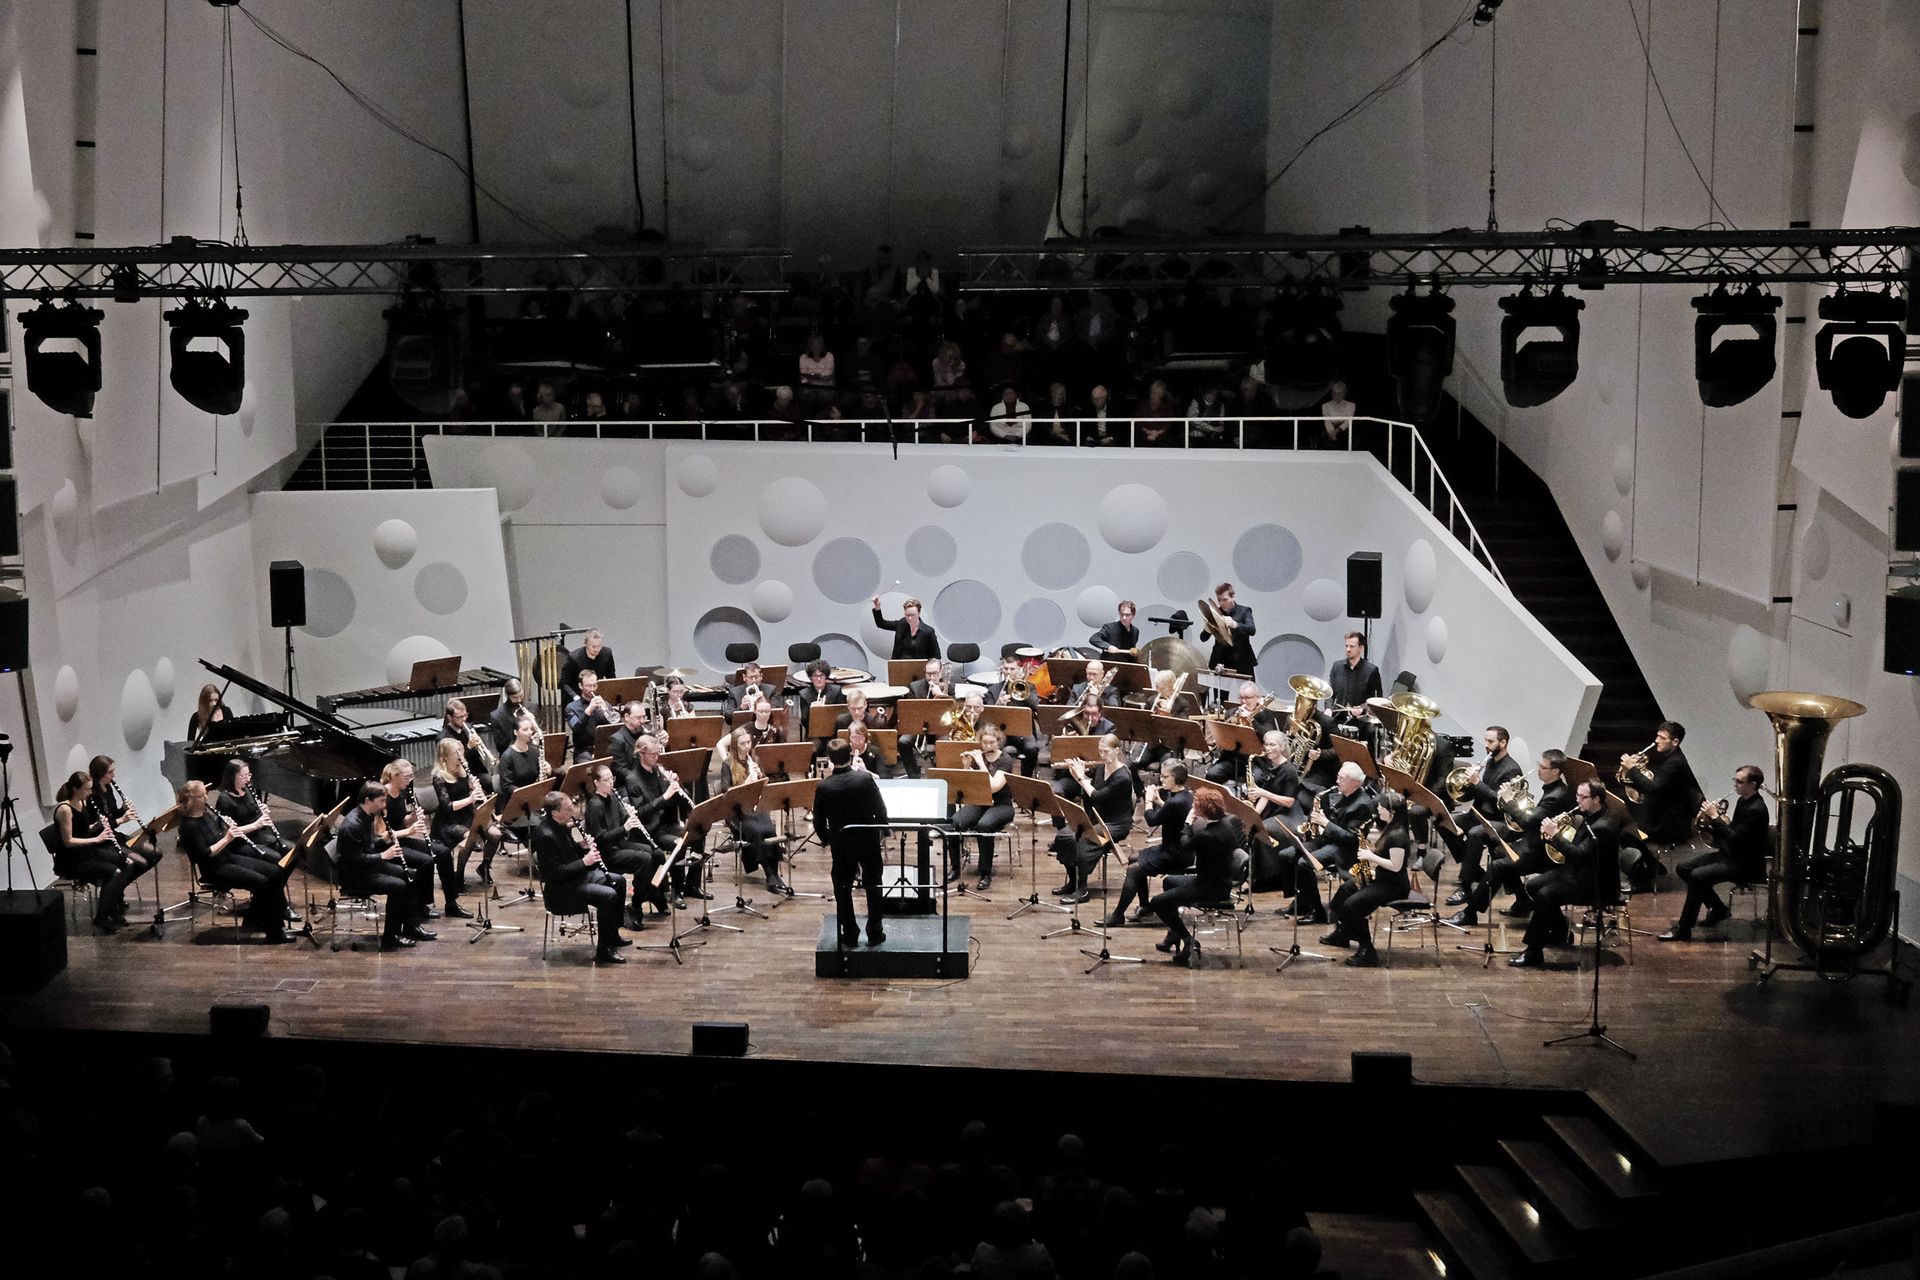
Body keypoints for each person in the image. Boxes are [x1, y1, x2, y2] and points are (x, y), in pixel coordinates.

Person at [1452, 749, 1573, 927]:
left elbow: (1527, 822)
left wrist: (1509, 801)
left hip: (1541, 853)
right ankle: (1523, 900)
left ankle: (1470, 913)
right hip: (1531, 843)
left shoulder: (1556, 795)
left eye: (1543, 767)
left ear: (1555, 771)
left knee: (1498, 866)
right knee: (1497, 850)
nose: (1538, 769)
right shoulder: (1552, 790)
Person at [1511, 780, 1621, 968]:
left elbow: (1578, 855)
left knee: (1546, 894)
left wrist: (1555, 835)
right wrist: (1551, 837)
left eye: (1583, 797)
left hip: (1596, 883)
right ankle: (1560, 931)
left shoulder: (1603, 826)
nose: (1578, 800)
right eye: (1577, 795)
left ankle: (1534, 951)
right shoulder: (1589, 815)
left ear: (1596, 799)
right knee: (1533, 885)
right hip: (1578, 873)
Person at [173, 781, 294, 942]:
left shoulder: (207, 814)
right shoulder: (189, 826)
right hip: (214, 868)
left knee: (276, 871)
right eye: (202, 795)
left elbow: (218, 834)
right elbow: (204, 854)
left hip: (227, 858)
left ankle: (255, 918)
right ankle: (275, 931)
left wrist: (225, 826)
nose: (206, 798)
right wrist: (228, 838)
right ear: (191, 800)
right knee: (262, 882)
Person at [1661, 765, 1770, 941]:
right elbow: (1732, 833)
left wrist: (1716, 818)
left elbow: (1736, 839)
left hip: (1745, 864)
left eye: (1740, 782)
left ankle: (1684, 928)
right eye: (1735, 780)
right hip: (1730, 855)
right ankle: (1718, 909)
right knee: (1683, 868)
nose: (1735, 785)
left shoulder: (1756, 809)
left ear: (1753, 784)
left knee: (1697, 876)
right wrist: (1711, 822)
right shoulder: (1743, 801)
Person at [532, 791, 629, 964]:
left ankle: (612, 935)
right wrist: (585, 861)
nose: (573, 812)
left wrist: (583, 847)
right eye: (568, 808)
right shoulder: (545, 835)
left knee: (619, 882)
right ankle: (603, 951)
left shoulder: (561, 824)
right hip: (561, 890)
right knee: (609, 896)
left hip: (576, 878)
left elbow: (569, 853)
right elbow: (555, 873)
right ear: (555, 812)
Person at [333, 782, 434, 949]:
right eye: (381, 801)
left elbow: (369, 846)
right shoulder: (352, 824)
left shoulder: (367, 816)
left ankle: (410, 927)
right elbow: (354, 860)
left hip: (368, 867)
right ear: (367, 800)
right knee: (399, 886)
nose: (384, 805)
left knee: (411, 875)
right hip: (355, 875)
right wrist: (383, 855)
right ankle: (391, 936)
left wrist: (384, 840)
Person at [1320, 790, 1414, 967]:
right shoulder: (1389, 827)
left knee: (1352, 906)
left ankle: (1367, 951)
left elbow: (1396, 866)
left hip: (1393, 885)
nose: (1378, 809)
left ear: (1391, 812)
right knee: (1345, 890)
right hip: (1382, 878)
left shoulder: (1398, 836)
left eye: (1381, 807)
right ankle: (1343, 933)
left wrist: (1370, 856)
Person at [52, 770, 149, 934]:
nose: (90, 793)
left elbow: (83, 830)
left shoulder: (82, 803)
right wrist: (97, 839)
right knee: (114, 871)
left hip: (86, 850)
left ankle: (111, 908)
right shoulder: (64, 809)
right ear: (76, 789)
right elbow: (68, 841)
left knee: (128, 863)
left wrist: (97, 826)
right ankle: (102, 916)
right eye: (87, 789)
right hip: (72, 859)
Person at [1151, 788, 1240, 966]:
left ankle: (1188, 939)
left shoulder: (1208, 835)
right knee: (1169, 881)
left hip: (1209, 888)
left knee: (1157, 902)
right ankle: (1174, 933)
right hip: (1219, 881)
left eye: (1195, 804)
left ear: (1203, 810)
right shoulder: (1227, 824)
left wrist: (1188, 822)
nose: (1192, 806)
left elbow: (1185, 845)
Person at [813, 739, 889, 946]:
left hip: (842, 844)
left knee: (842, 888)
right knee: (873, 884)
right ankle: (875, 930)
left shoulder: (824, 786)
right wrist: (883, 830)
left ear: (830, 760)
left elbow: (818, 822)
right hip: (868, 840)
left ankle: (850, 932)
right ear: (850, 757)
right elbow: (880, 810)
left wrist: (828, 840)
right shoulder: (864, 780)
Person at [1440, 726, 1523, 908]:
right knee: (1444, 821)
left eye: (1491, 742)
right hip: (1480, 814)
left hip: (1500, 820)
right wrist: (1468, 785)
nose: (1486, 745)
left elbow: (1501, 801)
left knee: (1476, 833)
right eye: (1485, 741)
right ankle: (1474, 871)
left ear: (1503, 743)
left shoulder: (1512, 770)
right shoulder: (1491, 761)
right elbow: (1481, 793)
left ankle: (1465, 885)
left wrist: (1477, 783)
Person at [1283, 762, 1375, 924]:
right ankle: (1302, 900)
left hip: (1344, 848)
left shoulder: (1362, 805)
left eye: (1342, 779)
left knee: (1304, 864)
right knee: (1286, 855)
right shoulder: (1339, 793)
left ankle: (1317, 911)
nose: (1337, 781)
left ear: (1356, 783)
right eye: (1338, 776)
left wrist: (1325, 823)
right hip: (1327, 840)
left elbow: (1351, 838)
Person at [380, 759, 468, 920]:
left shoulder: (401, 791)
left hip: (403, 838)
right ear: (394, 776)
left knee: (443, 852)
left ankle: (451, 903)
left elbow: (400, 821)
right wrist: (410, 830)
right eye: (406, 777)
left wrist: (412, 818)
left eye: (411, 776)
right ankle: (421, 905)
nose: (410, 780)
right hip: (389, 845)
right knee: (426, 861)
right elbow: (382, 834)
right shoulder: (383, 796)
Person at [1107, 761, 1192, 925]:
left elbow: (1152, 820)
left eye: (1166, 776)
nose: (1162, 780)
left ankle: (1118, 915)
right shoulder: (1185, 795)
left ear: (1176, 778)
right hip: (1173, 848)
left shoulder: (1176, 802)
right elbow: (1172, 813)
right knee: (1133, 858)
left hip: (1176, 854)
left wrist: (1148, 801)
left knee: (1133, 870)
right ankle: (1145, 905)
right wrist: (1160, 802)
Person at [1051, 734, 1134, 903]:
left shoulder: (1123, 777)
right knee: (1065, 837)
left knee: (1087, 838)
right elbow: (1090, 794)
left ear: (1116, 751)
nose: (1102, 755)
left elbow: (1097, 796)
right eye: (1100, 751)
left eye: (1106, 751)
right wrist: (1077, 776)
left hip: (1116, 825)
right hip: (1097, 819)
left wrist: (1081, 778)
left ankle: (1082, 890)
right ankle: (1073, 882)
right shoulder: (1102, 768)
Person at [626, 734, 708, 906]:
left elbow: (675, 802)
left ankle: (692, 884)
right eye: (653, 754)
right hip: (650, 830)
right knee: (679, 844)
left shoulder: (659, 771)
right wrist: (665, 796)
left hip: (668, 824)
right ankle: (676, 890)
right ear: (641, 754)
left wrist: (678, 787)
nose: (657, 757)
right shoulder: (633, 779)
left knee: (699, 833)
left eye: (658, 754)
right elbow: (642, 813)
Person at [582, 764, 665, 928]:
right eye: (606, 780)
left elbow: (621, 822)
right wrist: (625, 827)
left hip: (620, 845)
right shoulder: (594, 805)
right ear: (597, 783)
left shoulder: (613, 797)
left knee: (657, 854)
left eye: (612, 779)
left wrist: (629, 815)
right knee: (644, 859)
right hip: (607, 853)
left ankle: (654, 893)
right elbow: (601, 839)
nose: (611, 783)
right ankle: (636, 905)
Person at [711, 727, 786, 894]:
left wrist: (760, 777)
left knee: (769, 829)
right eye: (742, 743)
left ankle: (775, 872)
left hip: (755, 808)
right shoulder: (727, 764)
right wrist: (746, 785)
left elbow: (764, 786)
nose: (746, 746)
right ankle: (770, 875)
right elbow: (726, 792)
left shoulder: (754, 759)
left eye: (748, 742)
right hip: (737, 812)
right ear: (735, 746)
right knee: (757, 832)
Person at [949, 725, 1017, 890]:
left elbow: (993, 786)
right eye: (985, 743)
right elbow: (968, 786)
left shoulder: (1005, 760)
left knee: (984, 825)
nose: (988, 746)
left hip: (1002, 805)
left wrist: (980, 763)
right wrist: (966, 766)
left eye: (992, 742)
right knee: (955, 822)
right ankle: (955, 868)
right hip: (980, 802)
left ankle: (985, 873)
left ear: (998, 742)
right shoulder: (979, 758)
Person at [1620, 720, 1703, 853]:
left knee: (1625, 834)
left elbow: (1652, 788)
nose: (1656, 740)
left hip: (1668, 823)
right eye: (1658, 736)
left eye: (1662, 738)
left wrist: (1633, 769)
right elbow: (1653, 787)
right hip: (1660, 813)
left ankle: (1649, 864)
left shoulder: (1676, 763)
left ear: (1675, 742)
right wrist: (1628, 773)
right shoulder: (1670, 758)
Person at [430, 738, 502, 889]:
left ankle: (484, 866)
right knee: (470, 839)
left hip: (469, 815)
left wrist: (474, 788)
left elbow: (469, 792)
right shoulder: (438, 777)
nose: (460, 755)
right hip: (449, 821)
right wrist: (470, 799)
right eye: (456, 752)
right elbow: (447, 806)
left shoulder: (464, 769)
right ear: (445, 757)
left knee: (496, 835)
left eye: (461, 751)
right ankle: (459, 876)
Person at [90, 754, 161, 865]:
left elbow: (112, 815)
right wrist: (122, 820)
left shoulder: (108, 787)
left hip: (115, 835)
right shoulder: (92, 795)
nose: (114, 775)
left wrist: (123, 809)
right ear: (100, 774)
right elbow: (101, 824)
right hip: (102, 842)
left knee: (156, 853)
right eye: (110, 772)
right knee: (140, 863)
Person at [985, 654, 1042, 777]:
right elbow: (987, 716)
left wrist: (1022, 692)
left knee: (1032, 748)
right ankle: (1001, 781)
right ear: (1002, 669)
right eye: (1006, 669)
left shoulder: (1029, 687)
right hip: (1001, 732)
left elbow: (1037, 707)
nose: (1008, 672)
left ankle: (1026, 779)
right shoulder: (994, 690)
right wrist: (998, 704)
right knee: (993, 748)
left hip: (1023, 732)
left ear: (1018, 670)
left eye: (1012, 669)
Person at [441, 698, 497, 791]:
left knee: (489, 782)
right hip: (457, 774)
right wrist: (469, 747)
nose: (463, 719)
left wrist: (479, 746)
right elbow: (453, 762)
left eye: (465, 715)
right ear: (449, 718)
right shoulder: (444, 738)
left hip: (474, 770)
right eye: (459, 717)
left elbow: (476, 756)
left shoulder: (468, 727)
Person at [1326, 631, 1382, 720]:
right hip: (1338, 717)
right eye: (1346, 646)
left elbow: (1377, 699)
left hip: (1361, 720)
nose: (1348, 649)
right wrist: (1328, 708)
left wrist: (1362, 709)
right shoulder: (1337, 667)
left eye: (1352, 646)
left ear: (1361, 648)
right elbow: (1330, 694)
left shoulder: (1371, 671)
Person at [1204, 582, 1257, 675]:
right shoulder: (1216, 613)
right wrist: (1207, 629)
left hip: (1242, 659)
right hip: (1221, 659)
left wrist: (1235, 624)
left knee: (1248, 688)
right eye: (1219, 600)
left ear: (1233, 597)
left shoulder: (1245, 611)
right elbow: (1203, 638)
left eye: (1225, 600)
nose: (1221, 603)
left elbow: (1252, 630)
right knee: (1220, 689)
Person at [565, 671, 618, 763]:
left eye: (595, 685)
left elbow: (614, 726)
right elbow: (576, 728)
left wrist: (605, 709)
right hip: (584, 751)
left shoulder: (604, 704)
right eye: (589, 686)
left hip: (604, 747)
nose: (592, 689)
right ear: (580, 686)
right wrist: (589, 710)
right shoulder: (571, 707)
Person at [870, 595, 940, 660]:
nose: (909, 618)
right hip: (899, 667)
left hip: (920, 669)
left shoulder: (928, 631)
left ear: (919, 613)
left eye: (913, 615)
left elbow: (936, 656)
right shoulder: (901, 624)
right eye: (907, 615)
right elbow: (881, 624)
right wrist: (877, 607)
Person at [560, 629, 617, 702]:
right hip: (577, 697)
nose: (596, 649)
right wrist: (575, 697)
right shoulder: (573, 658)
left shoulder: (607, 654)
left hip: (596, 696)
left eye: (599, 646)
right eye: (593, 646)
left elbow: (611, 677)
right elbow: (564, 683)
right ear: (585, 643)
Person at [488, 678, 530, 750]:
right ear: (507, 696)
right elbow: (500, 746)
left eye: (521, 696)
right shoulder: (496, 716)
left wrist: (531, 725)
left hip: (532, 753)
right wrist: (515, 724)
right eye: (515, 697)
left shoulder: (532, 707)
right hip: (510, 756)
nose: (519, 700)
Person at [1317, 380, 1356, 449]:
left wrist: (1336, 431)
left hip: (1344, 430)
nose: (1336, 396)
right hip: (1329, 430)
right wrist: (1331, 432)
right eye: (1334, 393)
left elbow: (1348, 421)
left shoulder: (1351, 405)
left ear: (1344, 393)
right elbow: (1327, 421)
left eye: (1339, 393)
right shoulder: (1325, 406)